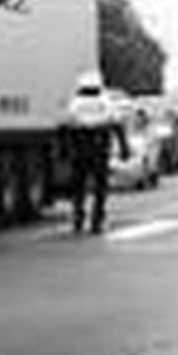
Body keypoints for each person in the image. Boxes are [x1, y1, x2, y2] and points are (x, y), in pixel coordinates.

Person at [61, 70, 129, 235]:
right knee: (100, 186)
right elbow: (117, 125)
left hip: (80, 150)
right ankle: (96, 219)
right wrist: (123, 148)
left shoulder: (75, 104)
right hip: (99, 149)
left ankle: (78, 217)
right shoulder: (105, 102)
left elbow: (66, 128)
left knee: (78, 186)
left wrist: (64, 151)